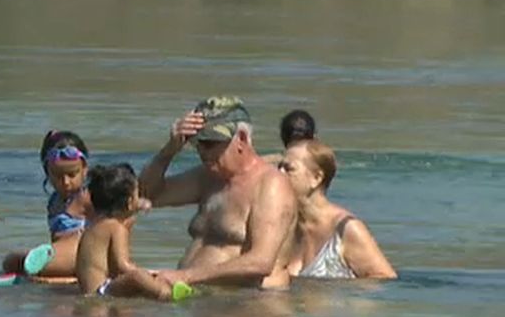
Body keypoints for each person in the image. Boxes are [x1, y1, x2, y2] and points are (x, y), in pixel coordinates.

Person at [140, 96, 298, 289]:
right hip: (203, 300)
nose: (202, 152)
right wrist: (170, 150)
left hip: (250, 307)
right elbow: (146, 193)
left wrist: (185, 276)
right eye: (196, 143)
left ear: (241, 139)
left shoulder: (270, 185)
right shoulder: (208, 177)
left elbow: (261, 262)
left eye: (210, 143)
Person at [280, 140, 397, 279]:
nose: (278, 175)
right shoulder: (282, 227)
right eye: (278, 168)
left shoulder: (347, 229)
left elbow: (384, 279)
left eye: (288, 169)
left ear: (316, 178)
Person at [76, 163, 176, 299]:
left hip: (90, 290)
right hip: (101, 290)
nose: (139, 199)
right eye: (137, 195)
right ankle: (166, 294)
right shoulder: (116, 227)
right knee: (138, 276)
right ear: (129, 202)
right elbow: (122, 265)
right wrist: (149, 276)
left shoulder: (95, 224)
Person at [1, 130, 91, 277]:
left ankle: (51, 274)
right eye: (57, 176)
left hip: (82, 256)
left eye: (72, 174)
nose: (66, 182)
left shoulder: (87, 198)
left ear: (85, 170)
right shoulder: (54, 201)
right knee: (10, 261)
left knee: (27, 265)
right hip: (59, 255)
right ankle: (49, 271)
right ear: (47, 172)